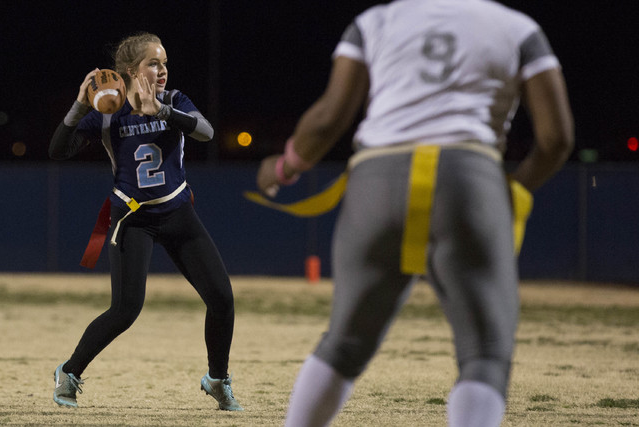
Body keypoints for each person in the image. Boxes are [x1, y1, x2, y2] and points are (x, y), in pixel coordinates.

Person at [256, 0, 573, 425]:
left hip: (378, 176)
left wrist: (283, 167)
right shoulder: (518, 27)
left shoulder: (375, 21)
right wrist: (510, 192)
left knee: (344, 344)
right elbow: (557, 139)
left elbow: (327, 120)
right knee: (484, 355)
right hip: (467, 174)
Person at [50, 32, 242, 411]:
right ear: (128, 72)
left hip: (177, 213)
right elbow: (58, 151)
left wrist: (163, 112)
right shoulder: (108, 113)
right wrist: (77, 105)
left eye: (165, 63)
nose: (163, 70)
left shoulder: (174, 101)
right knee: (125, 310)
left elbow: (206, 132)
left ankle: (217, 380)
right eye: (153, 63)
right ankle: (68, 372)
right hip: (132, 218)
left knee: (222, 299)